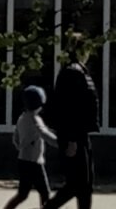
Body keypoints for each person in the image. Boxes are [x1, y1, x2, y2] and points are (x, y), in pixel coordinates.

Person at [42, 36, 100, 209]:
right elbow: (70, 108)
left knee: (85, 184)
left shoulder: (80, 71)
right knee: (77, 183)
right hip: (72, 135)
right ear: (80, 50)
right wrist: (72, 140)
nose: (89, 53)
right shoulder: (73, 72)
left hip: (81, 134)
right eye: (87, 49)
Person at [3, 85, 58, 209]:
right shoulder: (35, 119)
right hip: (34, 162)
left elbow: (15, 138)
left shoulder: (21, 118)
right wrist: (60, 144)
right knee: (45, 192)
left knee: (22, 194)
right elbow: (45, 134)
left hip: (23, 160)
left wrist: (22, 147)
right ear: (40, 103)